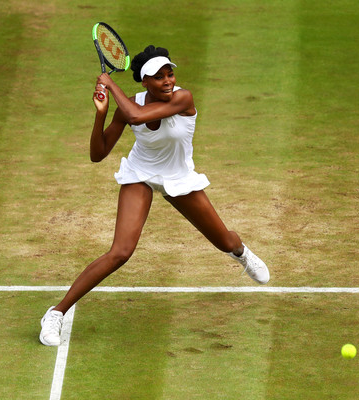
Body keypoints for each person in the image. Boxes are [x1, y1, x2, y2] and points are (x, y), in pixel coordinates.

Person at [39, 45, 269, 346]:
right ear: (144, 82)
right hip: (141, 175)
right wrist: (102, 115)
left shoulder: (183, 99)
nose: (167, 81)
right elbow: (98, 154)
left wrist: (111, 85)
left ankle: (242, 254)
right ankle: (56, 313)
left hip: (179, 177)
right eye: (158, 77)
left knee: (226, 241)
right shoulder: (128, 106)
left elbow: (135, 116)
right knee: (120, 252)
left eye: (169, 74)